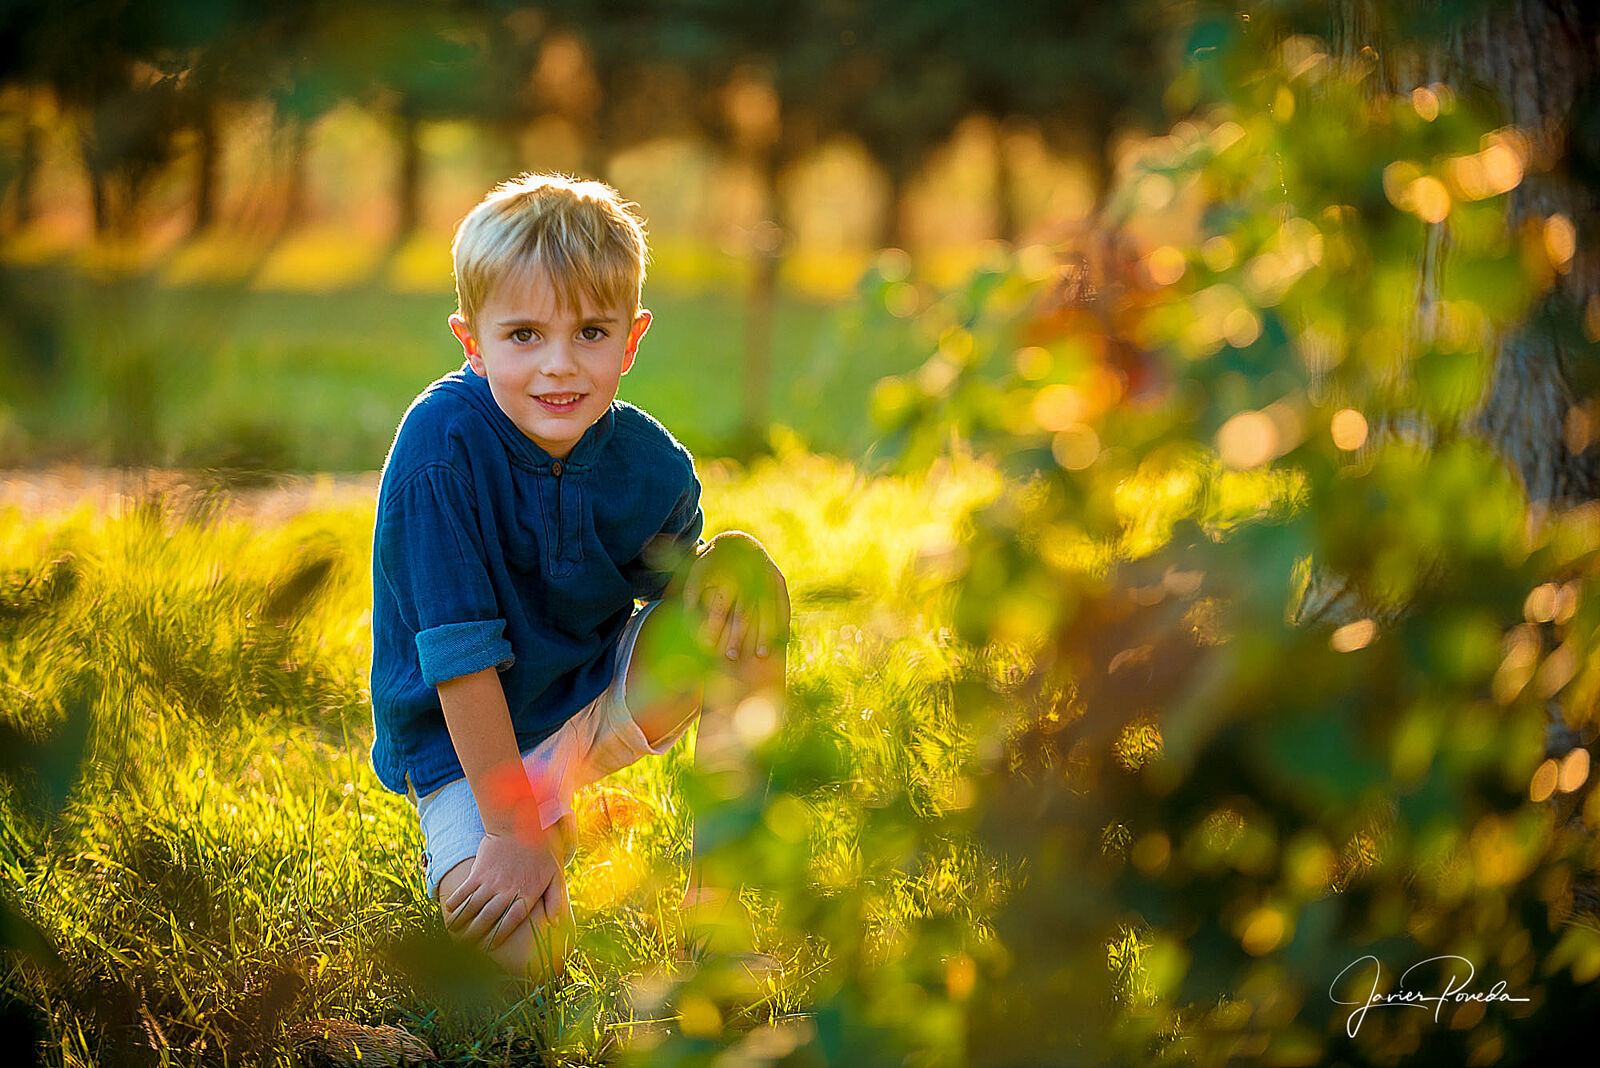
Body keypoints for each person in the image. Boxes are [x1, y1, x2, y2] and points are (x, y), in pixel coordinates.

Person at [368, 173, 788, 978]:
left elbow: (690, 608)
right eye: (523, 335)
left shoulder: (648, 464)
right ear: (471, 340)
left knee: (747, 582)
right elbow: (459, 664)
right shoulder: (439, 450)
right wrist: (512, 834)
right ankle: (536, 834)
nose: (560, 368)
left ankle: (718, 926)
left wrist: (736, 568)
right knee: (529, 974)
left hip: (584, 707)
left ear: (632, 338)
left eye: (591, 333)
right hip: (469, 749)